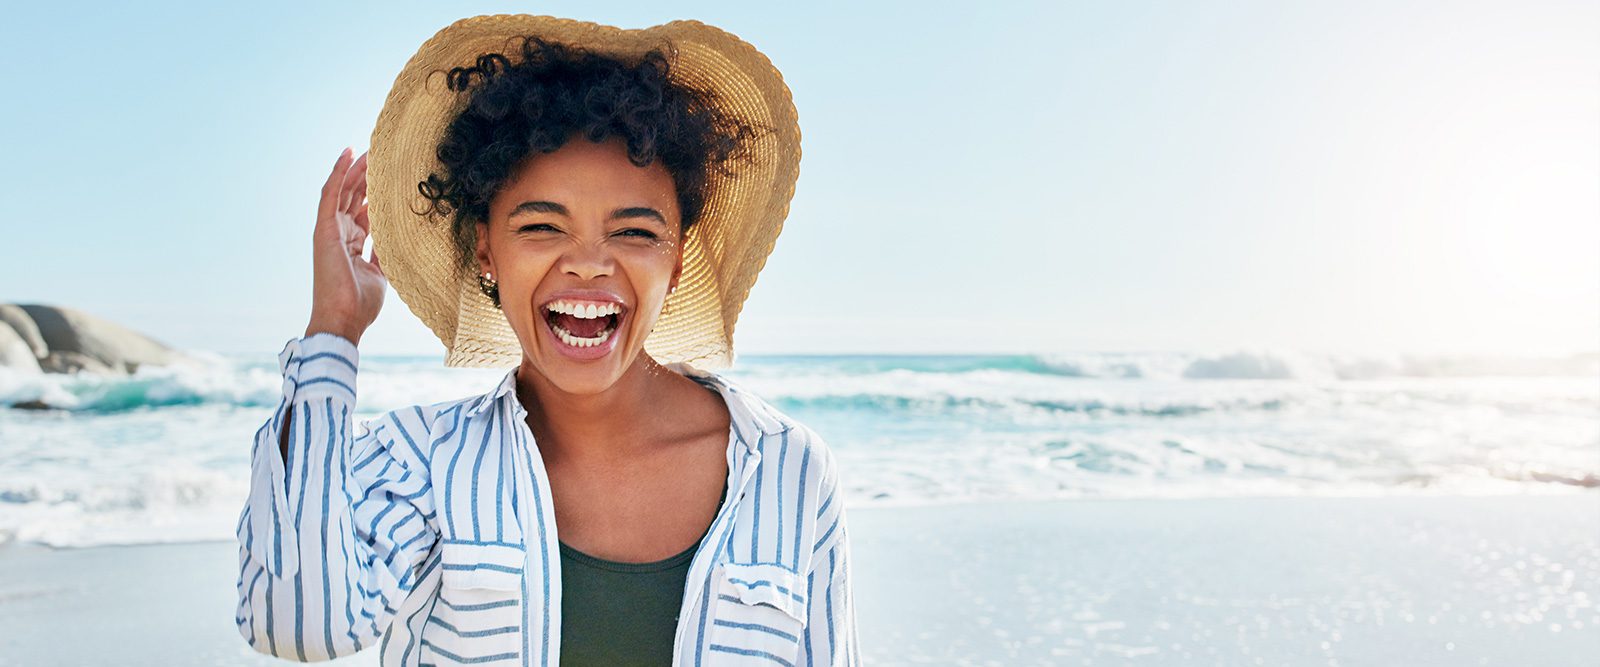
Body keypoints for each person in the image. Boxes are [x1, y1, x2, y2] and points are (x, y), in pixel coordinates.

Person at [233, 14, 859, 666]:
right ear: (485, 250)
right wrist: (334, 331)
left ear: (676, 263)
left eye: (635, 232)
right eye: (541, 226)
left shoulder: (788, 470)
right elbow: (298, 623)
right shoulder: (423, 463)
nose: (588, 263)